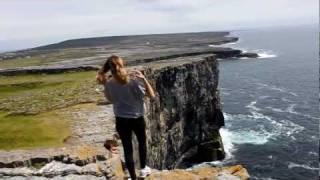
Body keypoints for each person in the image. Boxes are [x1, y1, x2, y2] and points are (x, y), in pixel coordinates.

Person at [96, 55, 155, 180]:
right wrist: (144, 79)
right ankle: (143, 169)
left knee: (128, 148)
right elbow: (151, 95)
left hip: (121, 120)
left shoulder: (109, 83)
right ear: (121, 64)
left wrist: (105, 85)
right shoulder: (133, 80)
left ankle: (133, 177)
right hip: (137, 118)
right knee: (141, 143)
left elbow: (111, 100)